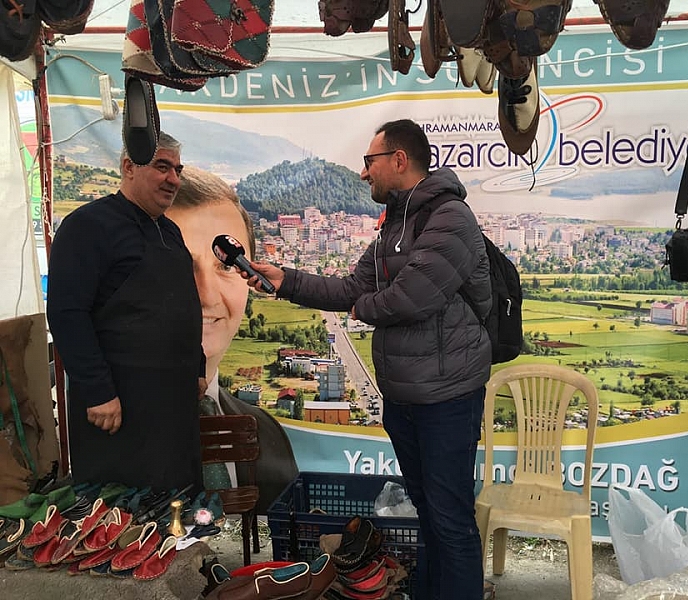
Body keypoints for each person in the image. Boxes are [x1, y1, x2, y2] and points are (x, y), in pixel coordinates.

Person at [240, 119, 492, 600]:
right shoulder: (395, 224)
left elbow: (412, 297)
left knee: (451, 519)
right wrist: (285, 279)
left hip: (446, 398)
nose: (362, 172)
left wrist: (364, 310)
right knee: (428, 512)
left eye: (369, 161)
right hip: (404, 397)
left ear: (399, 160)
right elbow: (351, 287)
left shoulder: (450, 217)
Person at [47, 132, 206, 494]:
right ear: (128, 167)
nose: (173, 179)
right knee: (122, 511)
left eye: (178, 170)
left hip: (174, 409)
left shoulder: (170, 232)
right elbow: (67, 313)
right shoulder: (87, 226)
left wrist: (196, 367)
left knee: (176, 506)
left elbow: (182, 305)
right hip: (119, 409)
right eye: (162, 167)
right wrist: (97, 391)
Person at [165, 166, 298, 511]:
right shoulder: (116, 433)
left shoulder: (267, 433)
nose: (206, 295)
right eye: (179, 265)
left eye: (226, 266)